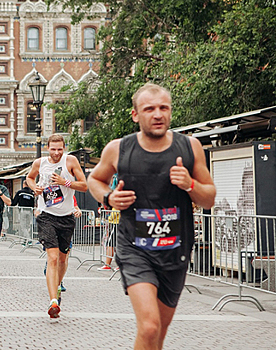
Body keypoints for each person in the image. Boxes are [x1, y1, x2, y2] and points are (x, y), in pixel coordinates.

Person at [88, 83, 216, 349]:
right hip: (135, 249)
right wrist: (109, 198)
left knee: (160, 331)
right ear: (136, 115)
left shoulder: (190, 148)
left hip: (175, 250)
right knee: (149, 326)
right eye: (149, 109)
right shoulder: (118, 149)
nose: (157, 114)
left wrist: (189, 184)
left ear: (170, 112)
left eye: (163, 108)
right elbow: (95, 180)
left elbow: (209, 198)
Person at [25, 134, 88, 319]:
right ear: (47, 148)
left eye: (60, 149)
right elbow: (29, 178)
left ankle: (57, 287)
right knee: (52, 258)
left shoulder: (71, 160)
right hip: (46, 216)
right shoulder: (40, 163)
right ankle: (53, 301)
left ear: (64, 147)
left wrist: (64, 182)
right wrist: (33, 187)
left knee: (62, 259)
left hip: (66, 217)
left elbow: (84, 186)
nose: (56, 152)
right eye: (53, 149)